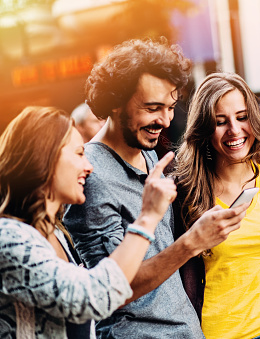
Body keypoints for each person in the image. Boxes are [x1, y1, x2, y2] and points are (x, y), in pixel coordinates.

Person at [63, 39, 248, 338]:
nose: (164, 120)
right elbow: (114, 290)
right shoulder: (90, 176)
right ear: (114, 101)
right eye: (152, 108)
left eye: (171, 107)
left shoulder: (147, 151)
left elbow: (200, 162)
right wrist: (191, 242)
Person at [0, 106, 175, 338]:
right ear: (44, 157)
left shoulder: (55, 233)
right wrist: (148, 217)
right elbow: (93, 297)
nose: (89, 167)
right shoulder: (9, 238)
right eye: (79, 153)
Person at [173, 72, 260, 339]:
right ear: (204, 128)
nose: (234, 130)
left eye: (242, 117)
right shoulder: (183, 190)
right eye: (220, 122)